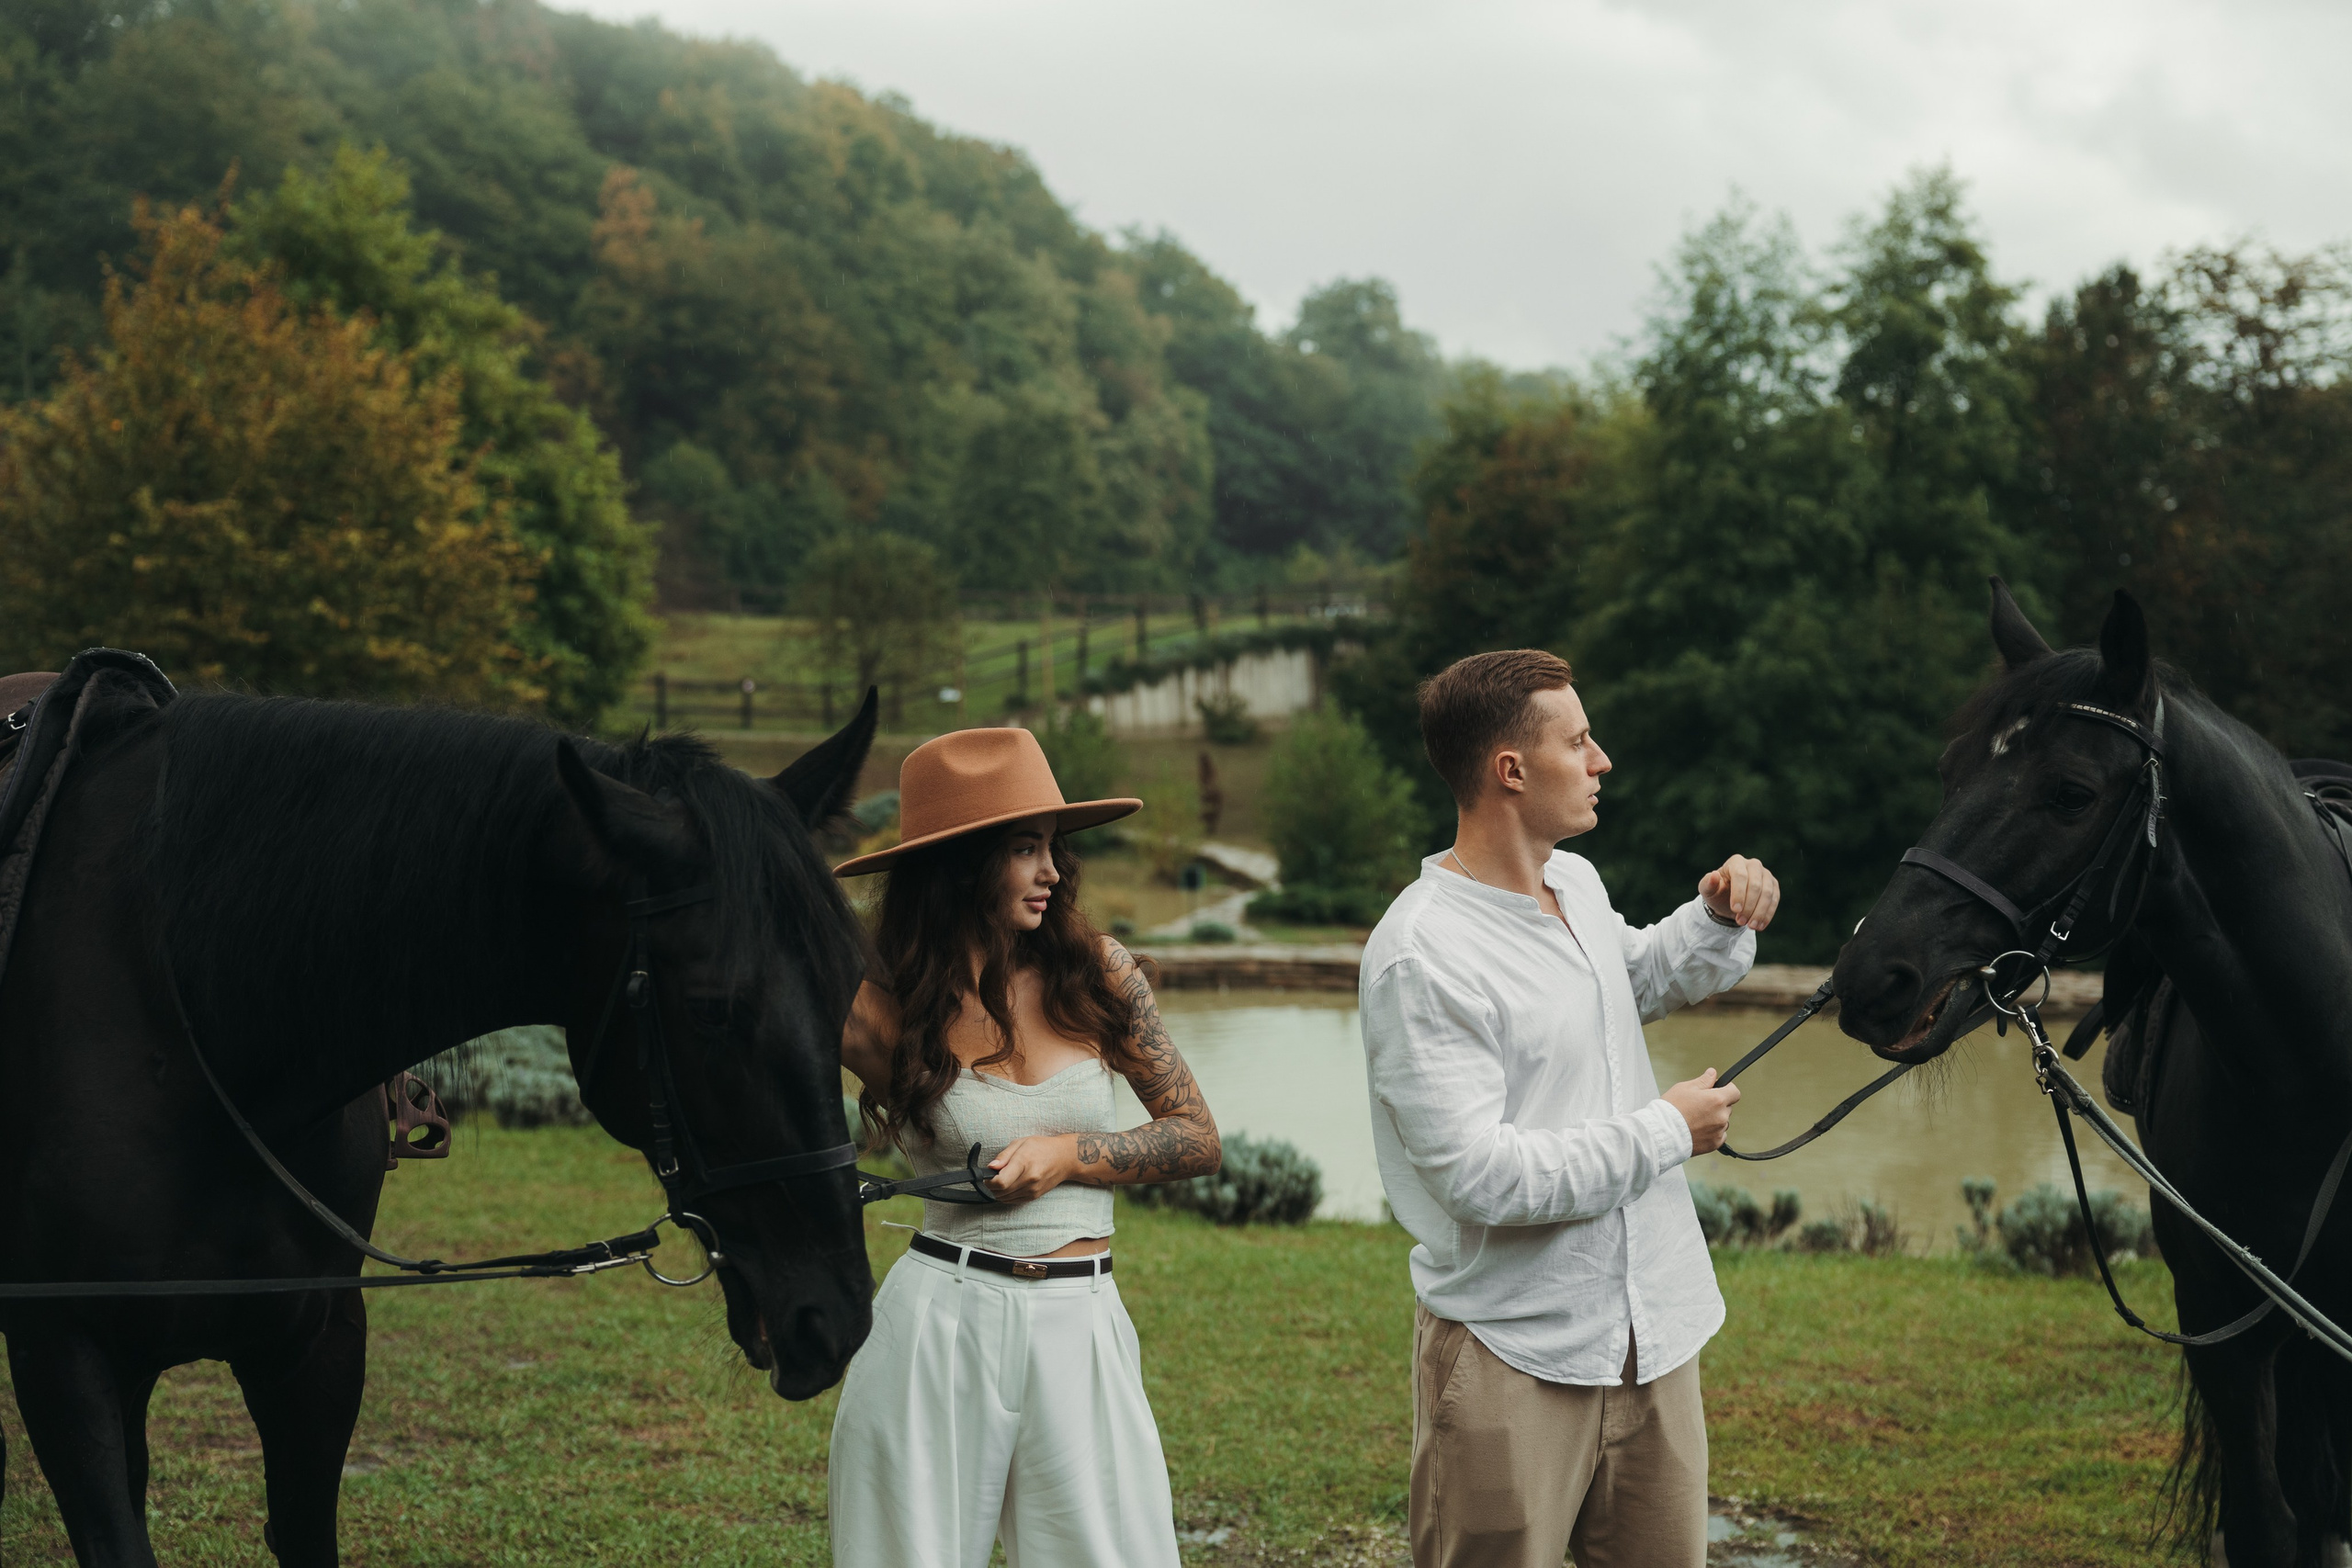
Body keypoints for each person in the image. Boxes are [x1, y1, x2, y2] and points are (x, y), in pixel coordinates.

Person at [1359, 649, 1778, 1568]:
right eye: (1579, 741)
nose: (1602, 761)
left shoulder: (1575, 886)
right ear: (1510, 769)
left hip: (1653, 1336)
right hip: (1514, 1354)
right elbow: (1477, 1176)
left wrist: (1718, 914)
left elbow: (1639, 979)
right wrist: (1667, 1131)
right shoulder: (1422, 954)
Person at [830, 725, 1221, 1568]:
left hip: (1082, 1323)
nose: (1051, 870)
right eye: (1022, 848)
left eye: (1051, 848)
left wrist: (1070, 1154)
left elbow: (1196, 1136)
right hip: (939, 1322)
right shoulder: (882, 1009)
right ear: (960, 863)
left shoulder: (1100, 972)